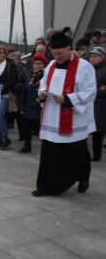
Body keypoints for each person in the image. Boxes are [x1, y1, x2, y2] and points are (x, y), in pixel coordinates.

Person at [32, 32, 96, 197]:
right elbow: (44, 83)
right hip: (52, 116)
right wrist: (42, 93)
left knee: (76, 152)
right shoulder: (52, 65)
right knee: (50, 153)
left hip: (73, 118)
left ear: (69, 49)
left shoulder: (84, 66)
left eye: (60, 53)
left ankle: (82, 178)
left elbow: (90, 91)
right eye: (54, 53)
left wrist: (67, 99)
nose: (57, 57)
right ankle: (46, 186)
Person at [19, 54, 48, 153]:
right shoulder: (29, 75)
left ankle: (45, 148)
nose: (38, 65)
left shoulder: (46, 76)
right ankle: (27, 146)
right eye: (36, 63)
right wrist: (22, 106)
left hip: (40, 106)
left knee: (40, 129)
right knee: (26, 128)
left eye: (40, 63)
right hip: (28, 105)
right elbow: (24, 92)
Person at [0, 46, 17, 150]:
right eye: (0, 53)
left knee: (0, 116)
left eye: (4, 53)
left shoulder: (10, 64)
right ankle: (0, 139)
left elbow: (14, 79)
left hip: (5, 94)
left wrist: (4, 86)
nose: (2, 54)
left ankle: (5, 139)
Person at [89, 47, 106, 161]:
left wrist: (94, 91)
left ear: (102, 57)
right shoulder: (89, 69)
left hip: (101, 105)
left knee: (98, 131)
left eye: (96, 56)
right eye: (91, 56)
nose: (93, 58)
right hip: (91, 104)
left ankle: (97, 154)